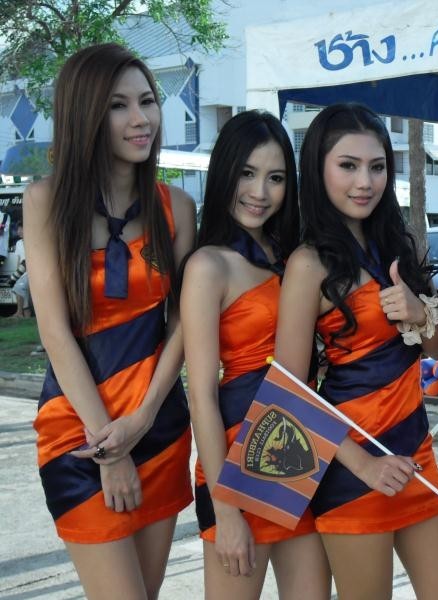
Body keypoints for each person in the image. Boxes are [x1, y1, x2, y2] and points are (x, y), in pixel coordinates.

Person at [24, 43, 196, 599]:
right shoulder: (46, 202)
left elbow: (183, 324)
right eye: (119, 105)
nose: (141, 118)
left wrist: (142, 420)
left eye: (147, 101)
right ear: (86, 115)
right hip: (78, 432)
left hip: (159, 426)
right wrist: (110, 448)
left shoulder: (177, 207)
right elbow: (54, 331)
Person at [274, 102, 438, 600]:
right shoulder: (308, 263)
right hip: (351, 465)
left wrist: (419, 313)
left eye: (377, 167)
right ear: (319, 170)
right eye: (348, 166)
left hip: (416, 455)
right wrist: (364, 466)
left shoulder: (398, 242)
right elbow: (288, 389)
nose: (365, 182)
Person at [180, 110, 331, 599]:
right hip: (236, 461)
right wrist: (225, 510)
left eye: (275, 178)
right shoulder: (208, 266)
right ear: (225, 172)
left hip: (298, 448)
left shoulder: (295, 257)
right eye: (247, 173)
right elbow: (201, 395)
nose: (260, 192)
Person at [10, 223, 32, 318]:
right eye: (18, 229)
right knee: (22, 291)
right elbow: (18, 259)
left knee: (18, 287)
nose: (18, 231)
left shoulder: (32, 241)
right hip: (21, 271)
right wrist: (16, 273)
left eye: (21, 229)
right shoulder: (18, 243)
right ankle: (26, 315)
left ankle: (19, 312)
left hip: (30, 271)